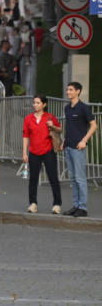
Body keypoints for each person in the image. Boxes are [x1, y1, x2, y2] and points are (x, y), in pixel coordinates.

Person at [22, 94, 62, 214]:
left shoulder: (50, 117)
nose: (35, 105)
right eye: (34, 102)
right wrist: (24, 153)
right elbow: (25, 136)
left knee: (53, 178)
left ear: (44, 104)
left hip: (48, 151)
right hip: (33, 152)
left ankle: (57, 204)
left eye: (38, 103)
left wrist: (52, 126)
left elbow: (60, 129)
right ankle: (33, 204)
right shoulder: (28, 118)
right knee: (33, 179)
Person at [62, 82, 97, 217]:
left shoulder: (84, 108)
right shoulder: (67, 108)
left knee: (80, 178)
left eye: (71, 90)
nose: (68, 92)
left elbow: (94, 126)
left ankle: (83, 207)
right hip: (68, 147)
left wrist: (84, 140)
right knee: (73, 178)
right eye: (67, 90)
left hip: (78, 148)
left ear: (78, 91)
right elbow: (70, 127)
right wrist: (64, 141)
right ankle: (76, 206)